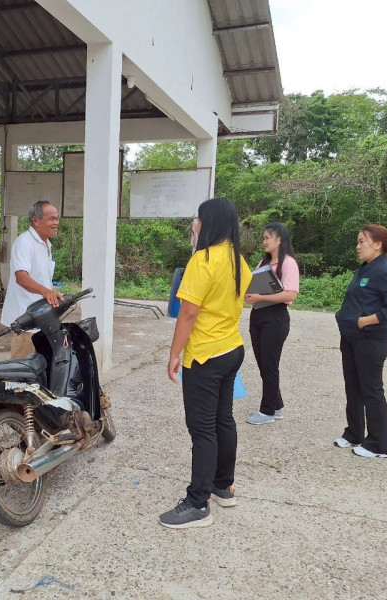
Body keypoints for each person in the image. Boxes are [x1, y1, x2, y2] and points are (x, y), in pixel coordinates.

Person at [159, 198, 252, 530]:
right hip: (231, 348)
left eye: (197, 219)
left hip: (205, 355)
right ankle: (223, 486)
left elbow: (188, 313)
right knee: (223, 419)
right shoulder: (239, 260)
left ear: (208, 222)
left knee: (202, 429)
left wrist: (174, 354)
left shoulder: (203, 259)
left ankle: (198, 503)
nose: (194, 225)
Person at [334, 224, 387, 458]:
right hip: (352, 338)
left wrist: (364, 321)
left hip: (371, 340)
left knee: (371, 390)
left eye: (362, 241)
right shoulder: (366, 268)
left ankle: (380, 445)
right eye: (357, 241)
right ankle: (354, 433)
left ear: (377, 244)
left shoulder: (385, 271)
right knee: (353, 387)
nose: (357, 246)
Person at [244, 223, 300, 425]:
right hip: (258, 315)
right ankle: (276, 407)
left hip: (275, 318)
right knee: (263, 363)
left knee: (270, 364)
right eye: (263, 238)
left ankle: (266, 411)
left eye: (268, 238)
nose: (264, 242)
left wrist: (261, 297)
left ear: (279, 239)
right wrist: (251, 296)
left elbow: (291, 294)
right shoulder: (264, 262)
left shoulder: (288, 263)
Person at [0, 200, 64, 358]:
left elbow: (41, 278)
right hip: (25, 319)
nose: (56, 223)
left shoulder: (46, 243)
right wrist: (45, 291)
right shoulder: (25, 242)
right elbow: (21, 278)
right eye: (51, 219)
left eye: (57, 218)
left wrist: (51, 293)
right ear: (36, 220)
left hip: (41, 317)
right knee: (23, 366)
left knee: (41, 365)